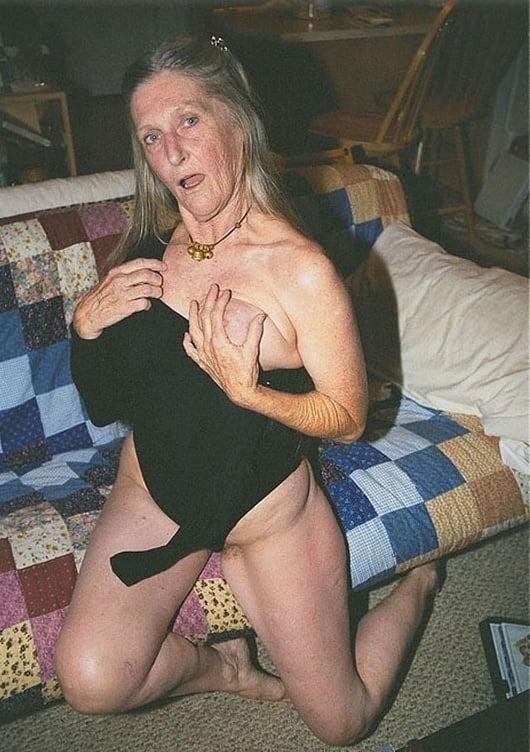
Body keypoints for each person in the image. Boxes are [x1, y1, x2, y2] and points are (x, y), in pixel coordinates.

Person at [56, 35, 440, 746]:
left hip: (268, 514)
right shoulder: (146, 246)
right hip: (153, 491)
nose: (172, 152)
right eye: (151, 136)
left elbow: (348, 418)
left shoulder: (299, 269)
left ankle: (420, 585)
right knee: (91, 681)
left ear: (237, 120)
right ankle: (227, 670)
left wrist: (251, 391)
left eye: (189, 120)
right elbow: (105, 404)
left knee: (342, 723)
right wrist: (85, 329)